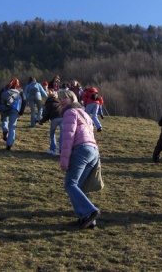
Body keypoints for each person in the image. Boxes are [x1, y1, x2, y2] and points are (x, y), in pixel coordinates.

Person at [58, 89, 101, 229]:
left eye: (65, 97)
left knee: (70, 184)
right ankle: (87, 219)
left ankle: (89, 211)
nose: (62, 100)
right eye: (60, 99)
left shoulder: (69, 113)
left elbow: (68, 137)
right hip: (93, 150)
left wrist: (64, 160)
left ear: (73, 99)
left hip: (81, 150)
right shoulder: (84, 113)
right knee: (79, 186)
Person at [0, 78, 26, 150]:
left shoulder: (4, 89)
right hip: (15, 109)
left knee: (4, 120)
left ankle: (5, 130)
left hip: (4, 108)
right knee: (12, 126)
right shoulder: (20, 91)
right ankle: (9, 144)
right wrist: (21, 112)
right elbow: (24, 101)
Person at [39, 90, 63, 155]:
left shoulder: (48, 103)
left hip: (54, 119)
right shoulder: (60, 102)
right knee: (62, 134)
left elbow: (46, 114)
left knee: (52, 133)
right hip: (62, 118)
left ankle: (53, 149)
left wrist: (42, 121)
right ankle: (62, 150)